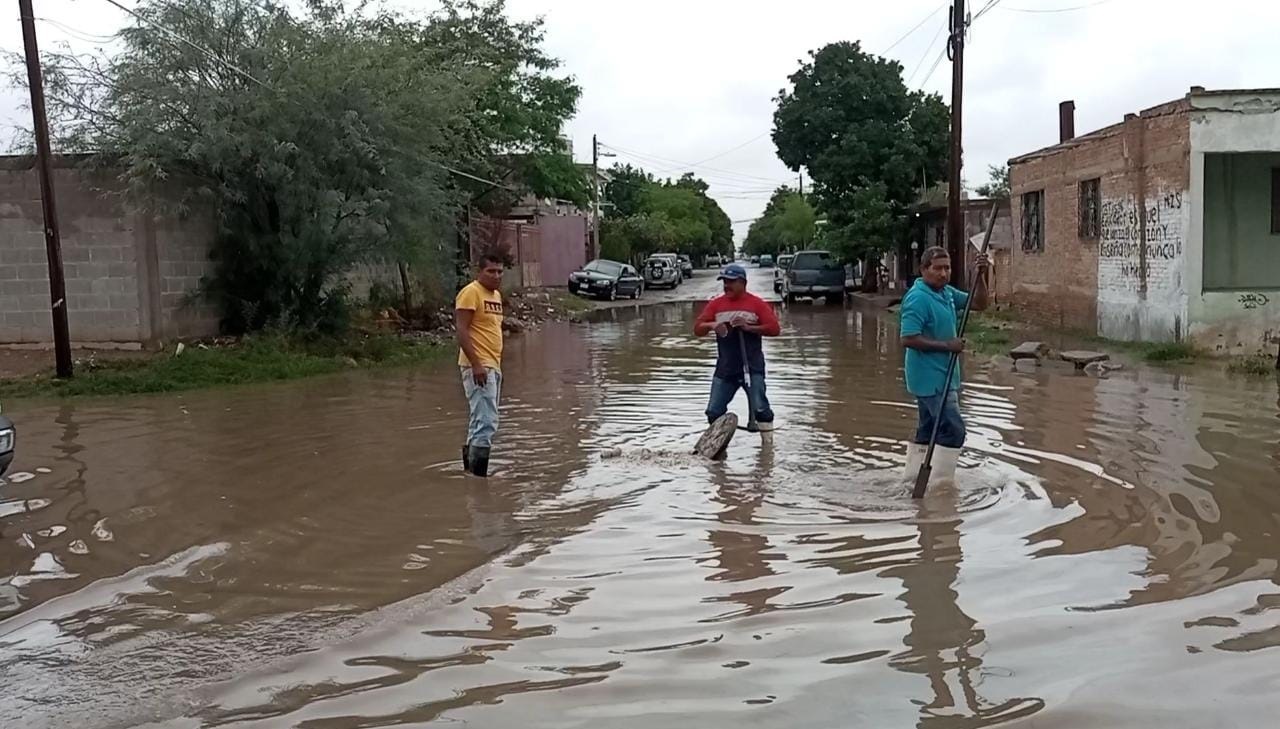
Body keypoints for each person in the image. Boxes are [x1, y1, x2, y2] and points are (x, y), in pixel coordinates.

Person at [900, 246, 989, 462]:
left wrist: (980, 276)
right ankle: (941, 481)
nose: (943, 273)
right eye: (937, 268)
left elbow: (978, 304)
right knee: (954, 430)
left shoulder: (946, 293)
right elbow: (908, 338)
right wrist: (947, 346)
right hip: (930, 379)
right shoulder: (918, 298)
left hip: (945, 376)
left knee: (928, 429)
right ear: (923, 269)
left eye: (947, 268)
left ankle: (914, 477)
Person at [693, 263, 781, 431]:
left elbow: (775, 329)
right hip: (726, 368)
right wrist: (712, 325)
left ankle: (767, 452)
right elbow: (697, 329)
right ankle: (719, 447)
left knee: (761, 409)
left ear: (743, 283)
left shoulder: (757, 304)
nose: (727, 285)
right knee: (713, 412)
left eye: (731, 282)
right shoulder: (715, 305)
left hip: (752, 367)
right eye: (725, 281)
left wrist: (750, 328)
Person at [455, 253, 506, 477]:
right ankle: (479, 479)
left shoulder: (495, 296)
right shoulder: (470, 293)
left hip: (493, 365)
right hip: (479, 366)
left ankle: (470, 474)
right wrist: (476, 364)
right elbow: (462, 330)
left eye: (500, 271)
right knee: (487, 421)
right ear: (480, 271)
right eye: (491, 271)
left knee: (479, 419)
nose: (496, 276)